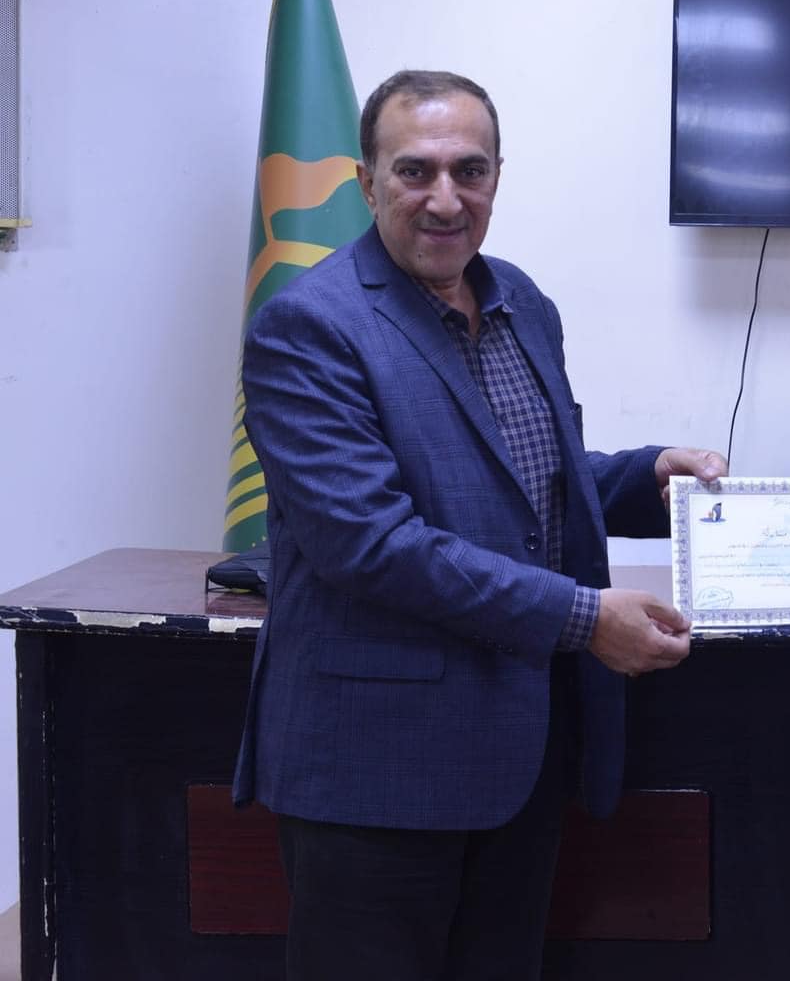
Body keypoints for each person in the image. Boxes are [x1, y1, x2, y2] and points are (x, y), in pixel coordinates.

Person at [231, 69, 726, 981]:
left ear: (498, 176)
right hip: (374, 773)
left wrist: (644, 476)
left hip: (517, 759)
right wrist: (584, 618)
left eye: (470, 170)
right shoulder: (308, 328)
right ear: (366, 181)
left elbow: (521, 480)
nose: (445, 198)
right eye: (414, 171)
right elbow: (371, 544)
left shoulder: (520, 303)